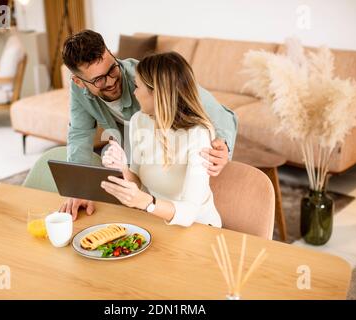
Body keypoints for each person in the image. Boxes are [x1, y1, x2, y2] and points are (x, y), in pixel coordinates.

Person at [60, 30, 237, 220]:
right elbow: (79, 134)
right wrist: (79, 189)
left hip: (185, 218)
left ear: (111, 53)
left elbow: (217, 112)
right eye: (99, 79)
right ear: (79, 82)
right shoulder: (139, 120)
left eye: (112, 69)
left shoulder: (147, 76)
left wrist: (223, 146)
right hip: (152, 209)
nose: (111, 80)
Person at [101, 52, 222, 227]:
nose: (134, 93)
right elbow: (138, 183)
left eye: (137, 86)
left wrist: (147, 203)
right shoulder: (138, 120)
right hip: (156, 221)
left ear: (156, 93)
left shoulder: (198, 134)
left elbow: (189, 212)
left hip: (199, 227)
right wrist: (122, 168)